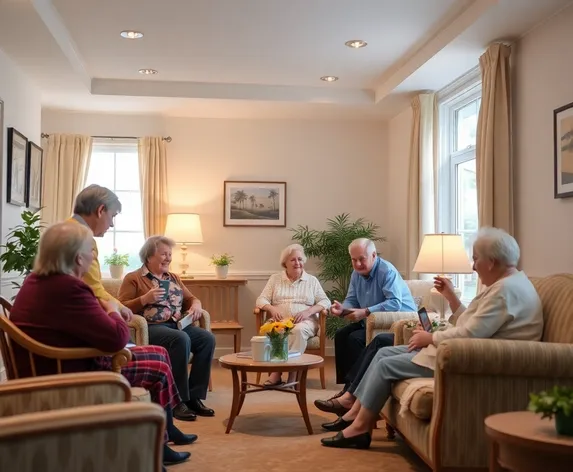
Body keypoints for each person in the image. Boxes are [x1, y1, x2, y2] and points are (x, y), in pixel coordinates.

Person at [320, 227, 544, 449]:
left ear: (492, 262)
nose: (473, 266)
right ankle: (355, 414)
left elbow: (469, 333)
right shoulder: (505, 286)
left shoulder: (504, 292)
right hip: (465, 350)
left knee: (386, 364)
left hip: (470, 358)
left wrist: (431, 338)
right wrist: (451, 297)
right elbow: (473, 323)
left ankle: (359, 427)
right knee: (383, 352)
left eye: (476, 259)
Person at [9, 222, 196, 469]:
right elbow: (117, 338)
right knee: (159, 362)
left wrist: (107, 310)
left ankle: (164, 436)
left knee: (160, 353)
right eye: (92, 253)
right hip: (75, 371)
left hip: (59, 361)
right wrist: (112, 310)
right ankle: (160, 443)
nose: (93, 259)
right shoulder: (69, 288)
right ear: (78, 258)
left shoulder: (40, 281)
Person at [118, 236, 216, 421]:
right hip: (152, 327)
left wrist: (196, 305)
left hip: (177, 325)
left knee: (206, 339)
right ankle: (177, 401)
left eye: (170, 254)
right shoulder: (133, 279)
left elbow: (191, 298)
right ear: (148, 257)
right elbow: (122, 307)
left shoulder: (173, 278)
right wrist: (145, 299)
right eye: (163, 254)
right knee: (181, 339)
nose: (168, 258)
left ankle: (194, 397)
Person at [331, 238, 416, 388]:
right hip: (369, 321)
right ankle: (348, 385)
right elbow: (352, 300)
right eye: (354, 260)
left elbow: (395, 303)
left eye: (362, 259)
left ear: (374, 255)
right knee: (341, 335)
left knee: (355, 338)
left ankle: (356, 387)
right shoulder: (356, 274)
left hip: (396, 322)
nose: (357, 264)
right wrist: (343, 309)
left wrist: (366, 311)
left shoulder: (387, 271)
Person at [255, 244, 331, 386]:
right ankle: (279, 373)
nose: (297, 263)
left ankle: (289, 373)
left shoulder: (311, 281)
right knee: (277, 330)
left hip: (305, 322)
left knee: (297, 330)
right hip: (279, 321)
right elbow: (261, 299)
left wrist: (308, 311)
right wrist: (271, 308)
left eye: (300, 259)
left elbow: (325, 301)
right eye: (293, 260)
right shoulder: (275, 279)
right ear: (285, 263)